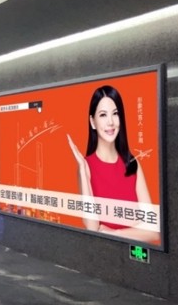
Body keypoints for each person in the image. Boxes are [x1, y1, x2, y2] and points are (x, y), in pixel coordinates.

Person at [67, 85, 158, 243]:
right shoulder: (86, 167)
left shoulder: (132, 164)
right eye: (103, 115)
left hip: (133, 254)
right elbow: (92, 228)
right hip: (103, 253)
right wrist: (82, 168)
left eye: (115, 114)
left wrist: (115, 233)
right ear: (92, 122)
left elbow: (154, 230)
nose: (110, 122)